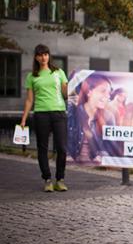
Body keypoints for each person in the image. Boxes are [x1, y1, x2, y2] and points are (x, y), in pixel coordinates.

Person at [20, 44, 68, 192]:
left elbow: (66, 95)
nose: (43, 57)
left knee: (62, 148)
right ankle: (47, 179)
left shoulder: (59, 72)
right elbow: (29, 100)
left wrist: (68, 87)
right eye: (40, 55)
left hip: (59, 113)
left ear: (49, 56)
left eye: (46, 54)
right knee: (43, 148)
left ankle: (59, 179)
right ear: (36, 57)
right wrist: (23, 119)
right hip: (41, 114)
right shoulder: (32, 76)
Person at [67, 73, 119, 165]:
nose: (107, 96)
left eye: (109, 93)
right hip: (71, 166)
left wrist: (102, 155)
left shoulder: (108, 117)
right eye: (103, 91)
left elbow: (110, 145)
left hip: (95, 167)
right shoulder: (72, 111)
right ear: (89, 92)